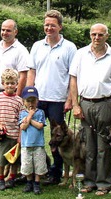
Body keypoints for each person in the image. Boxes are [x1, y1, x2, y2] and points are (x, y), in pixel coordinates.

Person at [69, 23, 111, 196]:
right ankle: (89, 181)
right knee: (88, 145)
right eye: (94, 34)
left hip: (105, 104)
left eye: (100, 35)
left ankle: (103, 183)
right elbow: (73, 80)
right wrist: (75, 104)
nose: (96, 38)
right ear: (90, 35)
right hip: (85, 103)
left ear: (107, 36)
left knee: (103, 145)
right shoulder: (80, 54)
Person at [26, 10, 77, 185]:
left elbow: (73, 76)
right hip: (39, 99)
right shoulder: (37, 46)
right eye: (46, 25)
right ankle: (36, 170)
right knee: (34, 135)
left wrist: (70, 99)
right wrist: (29, 95)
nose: (49, 28)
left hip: (58, 99)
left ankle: (57, 173)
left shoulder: (69, 47)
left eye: (52, 25)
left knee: (57, 137)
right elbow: (32, 71)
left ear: (60, 27)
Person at [0, 19, 30, 174]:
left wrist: (17, 95)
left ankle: (10, 163)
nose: (4, 33)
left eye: (8, 30)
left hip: (11, 95)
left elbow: (23, 75)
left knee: (9, 130)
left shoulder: (21, 50)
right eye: (2, 30)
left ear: (15, 31)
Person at [0, 69, 24, 190]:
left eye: (12, 83)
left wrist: (20, 135)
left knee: (13, 159)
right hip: (2, 134)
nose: (10, 85)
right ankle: (1, 178)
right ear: (3, 83)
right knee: (2, 157)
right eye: (7, 83)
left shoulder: (19, 100)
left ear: (16, 84)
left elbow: (21, 119)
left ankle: (12, 177)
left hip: (14, 134)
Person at [19, 86, 48, 195]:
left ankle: (37, 182)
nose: (31, 103)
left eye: (33, 100)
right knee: (27, 164)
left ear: (37, 101)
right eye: (28, 101)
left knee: (39, 164)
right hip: (26, 145)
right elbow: (23, 127)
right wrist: (29, 116)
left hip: (38, 144)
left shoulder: (40, 112)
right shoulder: (22, 113)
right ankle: (29, 181)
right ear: (24, 101)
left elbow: (40, 125)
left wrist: (30, 118)